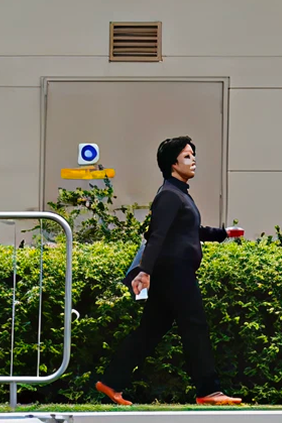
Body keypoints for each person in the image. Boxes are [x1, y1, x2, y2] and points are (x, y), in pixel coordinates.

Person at [96, 136, 244, 406]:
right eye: (187, 156)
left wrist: (224, 233)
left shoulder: (178, 194)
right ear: (173, 163)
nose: (193, 160)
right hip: (175, 273)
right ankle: (209, 391)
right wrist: (144, 272)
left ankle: (111, 382)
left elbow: (192, 231)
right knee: (195, 326)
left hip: (172, 274)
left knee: (150, 331)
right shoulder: (169, 195)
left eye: (193, 155)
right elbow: (157, 235)